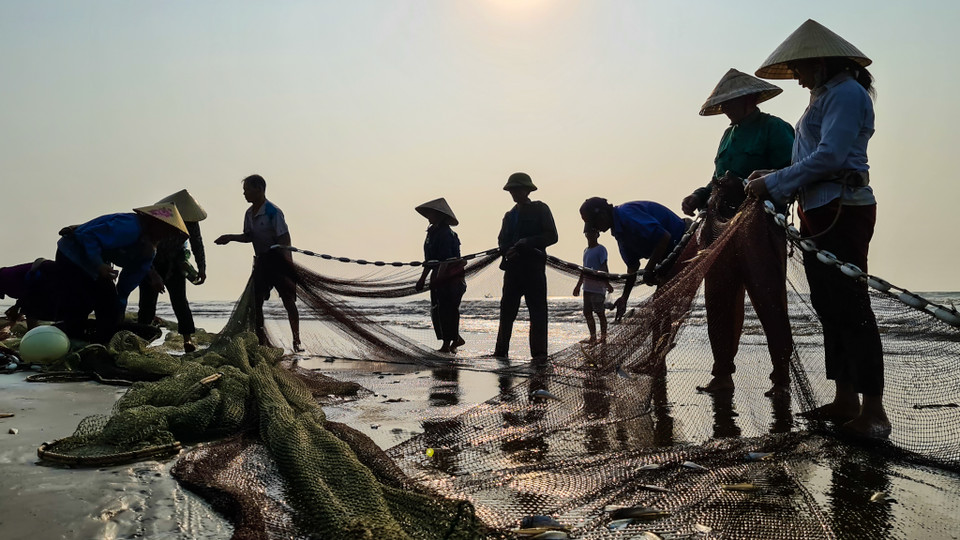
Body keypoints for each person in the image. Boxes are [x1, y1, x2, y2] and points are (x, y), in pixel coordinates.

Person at [745, 19, 889, 438]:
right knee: (829, 307)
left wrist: (771, 183)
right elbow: (810, 161)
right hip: (818, 208)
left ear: (821, 62)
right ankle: (845, 398)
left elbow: (829, 158)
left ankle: (874, 411)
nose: (798, 78)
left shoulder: (846, 93)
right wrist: (773, 174)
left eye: (801, 71)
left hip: (843, 208)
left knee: (852, 307)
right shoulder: (823, 96)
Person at [685, 68, 797, 396]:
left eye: (730, 104)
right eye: (722, 106)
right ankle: (722, 374)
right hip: (720, 230)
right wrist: (699, 195)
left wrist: (747, 184)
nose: (725, 111)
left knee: (769, 300)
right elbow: (717, 178)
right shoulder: (727, 136)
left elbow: (791, 174)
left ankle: (781, 377)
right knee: (718, 299)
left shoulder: (774, 129)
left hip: (760, 228)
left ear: (748, 99)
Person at [55, 203, 189, 343]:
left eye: (169, 233)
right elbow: (88, 236)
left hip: (97, 262)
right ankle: (65, 336)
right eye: (164, 230)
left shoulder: (148, 253)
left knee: (109, 303)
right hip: (72, 252)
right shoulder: (129, 227)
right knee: (77, 301)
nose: (164, 236)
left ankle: (103, 342)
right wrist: (98, 264)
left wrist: (118, 311)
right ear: (154, 222)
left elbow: (124, 288)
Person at [215, 174, 302, 351]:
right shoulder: (249, 213)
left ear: (259, 189)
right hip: (262, 262)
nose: (244, 193)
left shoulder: (272, 211)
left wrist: (282, 259)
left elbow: (284, 238)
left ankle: (296, 340)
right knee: (256, 302)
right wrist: (230, 238)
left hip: (279, 263)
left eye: (247, 189)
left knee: (288, 301)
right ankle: (261, 340)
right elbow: (249, 237)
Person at [578, 198, 687, 322]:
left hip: (685, 242)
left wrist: (649, 270)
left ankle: (663, 340)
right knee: (660, 309)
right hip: (668, 258)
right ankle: (663, 340)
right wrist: (624, 298)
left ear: (603, 215)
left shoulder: (627, 215)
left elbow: (664, 237)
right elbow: (632, 267)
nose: (596, 229)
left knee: (662, 306)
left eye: (594, 224)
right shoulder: (620, 234)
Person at [494, 172, 558, 359]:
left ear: (527, 190)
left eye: (518, 189)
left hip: (534, 269)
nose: (514, 193)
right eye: (512, 190)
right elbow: (502, 241)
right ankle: (500, 352)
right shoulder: (509, 216)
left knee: (538, 312)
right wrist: (508, 250)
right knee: (506, 312)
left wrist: (527, 242)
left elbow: (551, 236)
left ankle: (539, 355)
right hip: (513, 271)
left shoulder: (541, 209)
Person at [137, 190, 208, 353]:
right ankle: (141, 339)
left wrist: (202, 268)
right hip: (151, 261)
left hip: (175, 263)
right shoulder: (159, 220)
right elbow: (144, 247)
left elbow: (197, 245)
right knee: (147, 303)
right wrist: (152, 274)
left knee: (180, 302)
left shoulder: (191, 223)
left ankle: (187, 339)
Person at [414, 198, 467, 353]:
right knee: (437, 309)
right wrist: (422, 279)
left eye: (432, 213)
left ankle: (447, 344)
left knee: (448, 310)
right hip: (438, 275)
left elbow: (446, 260)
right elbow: (430, 261)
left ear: (440, 215)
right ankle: (456, 339)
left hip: (451, 278)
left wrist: (438, 279)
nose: (429, 215)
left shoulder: (446, 233)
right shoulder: (431, 232)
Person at [572, 225, 614, 344]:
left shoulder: (601, 249)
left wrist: (607, 283)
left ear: (597, 235)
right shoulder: (586, 251)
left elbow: (603, 267)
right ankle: (593, 337)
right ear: (585, 235)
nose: (590, 235)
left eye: (593, 233)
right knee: (587, 313)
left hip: (598, 288)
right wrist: (578, 285)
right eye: (588, 233)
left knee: (600, 313)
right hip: (587, 287)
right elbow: (584, 270)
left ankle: (604, 337)